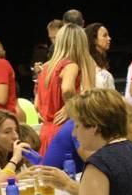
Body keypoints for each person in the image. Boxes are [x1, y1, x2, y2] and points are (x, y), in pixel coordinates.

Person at [36, 23, 96, 153]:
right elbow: (67, 88)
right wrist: (71, 106)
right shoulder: (70, 65)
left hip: (46, 132)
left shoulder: (46, 68)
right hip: (65, 131)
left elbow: (37, 105)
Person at [85, 23, 115, 89]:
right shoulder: (88, 61)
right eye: (105, 36)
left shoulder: (101, 61)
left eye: (108, 35)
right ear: (94, 39)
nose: (109, 38)